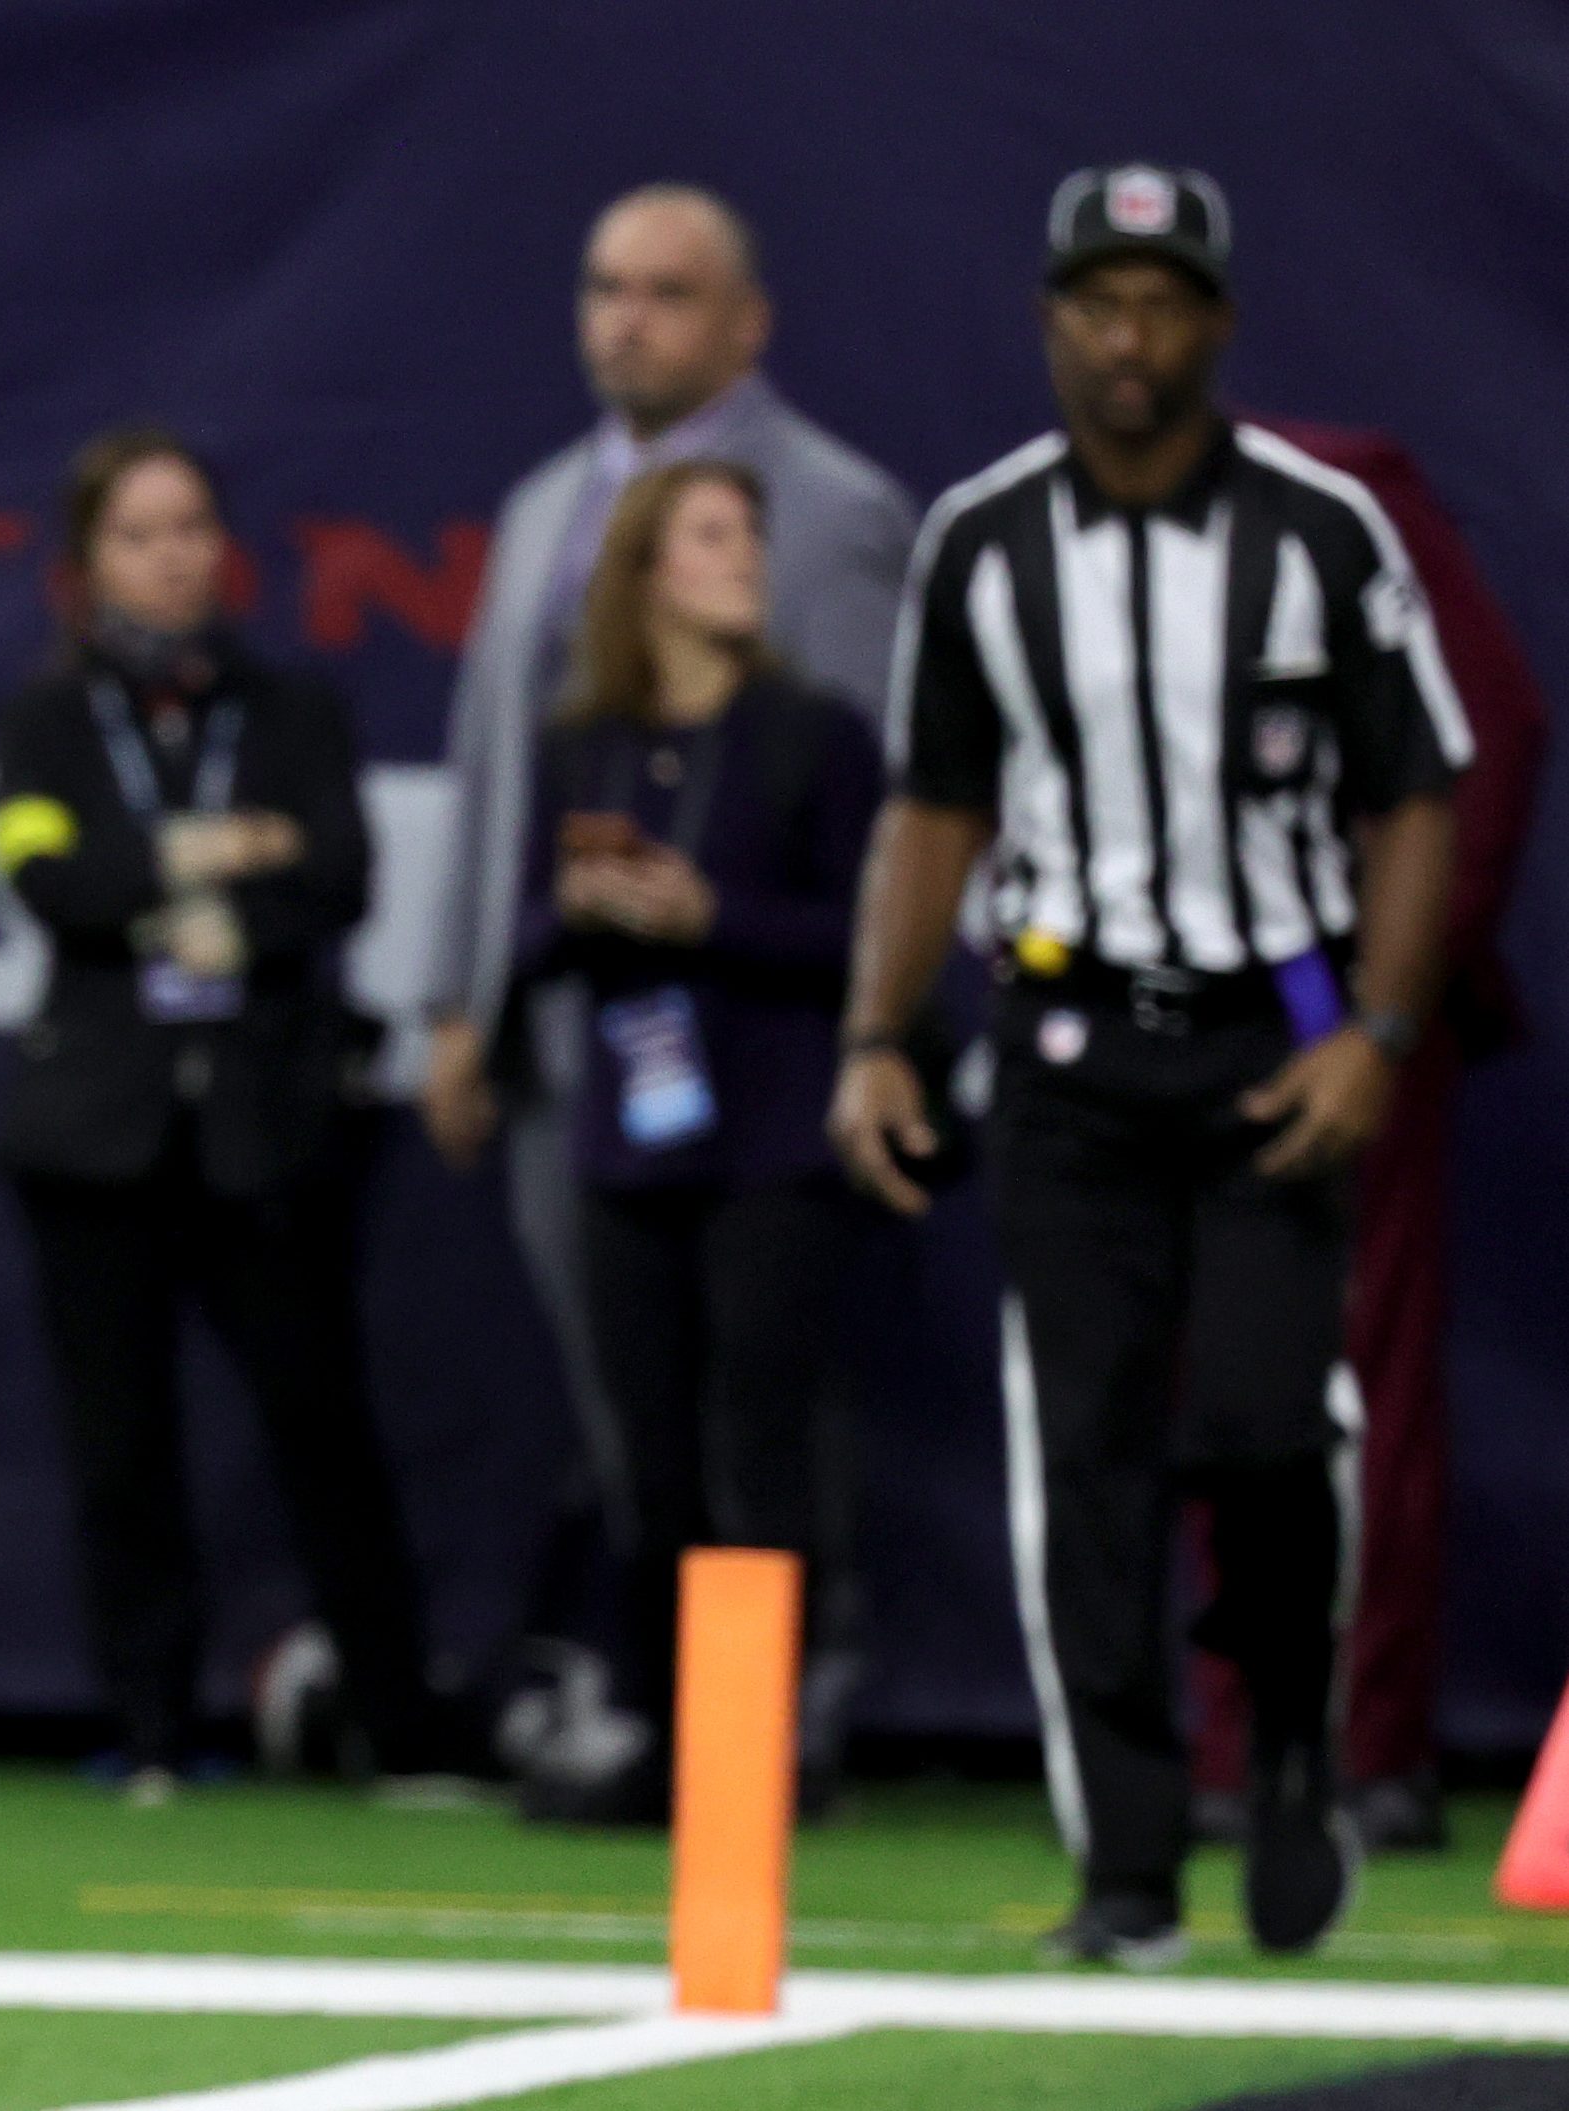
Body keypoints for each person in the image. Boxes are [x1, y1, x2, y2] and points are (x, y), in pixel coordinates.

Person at [830, 166, 1467, 1967]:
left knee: (1265, 1433)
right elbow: (937, 802)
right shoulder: (980, 541)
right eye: (1095, 302)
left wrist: (1378, 1033)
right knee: (1086, 1452)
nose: (1127, 336)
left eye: (1160, 300)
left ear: (1216, 324)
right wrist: (879, 1036)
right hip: (1061, 1041)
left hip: (1273, 1040)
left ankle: (1281, 1756)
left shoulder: (1322, 531)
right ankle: (1122, 1864)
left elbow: (1416, 789)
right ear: (1048, 323)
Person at [413, 186, 915, 1773]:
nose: (626, 317)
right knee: (628, 1390)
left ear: (744, 321)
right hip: (583, 1034)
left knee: (767, 1392)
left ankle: (795, 1690)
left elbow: (861, 800)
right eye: (604, 286)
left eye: (667, 291)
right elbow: (492, 769)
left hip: (763, 1041)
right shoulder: (546, 500)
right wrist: (459, 1001)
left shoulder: (826, 511)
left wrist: (862, 1022)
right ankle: (669, 1710)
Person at [0, 427, 440, 1799]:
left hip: (266, 1128)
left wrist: (178, 881)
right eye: (138, 533)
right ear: (87, 563)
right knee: (121, 1446)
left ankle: (400, 1729)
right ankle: (152, 1734)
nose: (170, 555)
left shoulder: (291, 709)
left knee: (325, 1429)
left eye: (189, 527)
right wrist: (221, 850)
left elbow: (340, 878)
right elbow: (49, 880)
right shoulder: (46, 720)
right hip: (96, 1136)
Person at [1186, 420, 1546, 1857]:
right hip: (1181, 1024)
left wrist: (1384, 999)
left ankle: (1365, 1745)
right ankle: (1230, 1732)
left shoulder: (1346, 496)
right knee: (1205, 1385)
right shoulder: (1063, 537)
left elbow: (1491, 736)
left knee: (1362, 1386)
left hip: (1344, 1021)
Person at [506, 460, 881, 1823]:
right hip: (628, 1148)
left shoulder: (815, 736)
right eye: (711, 536)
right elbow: (526, 940)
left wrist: (705, 916)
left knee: (760, 1454)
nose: (742, 559)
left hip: (769, 1144)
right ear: (646, 568)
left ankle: (760, 1752)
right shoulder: (580, 744)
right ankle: (674, 1743)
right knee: (648, 1458)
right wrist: (586, 909)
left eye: (747, 535)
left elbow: (869, 942)